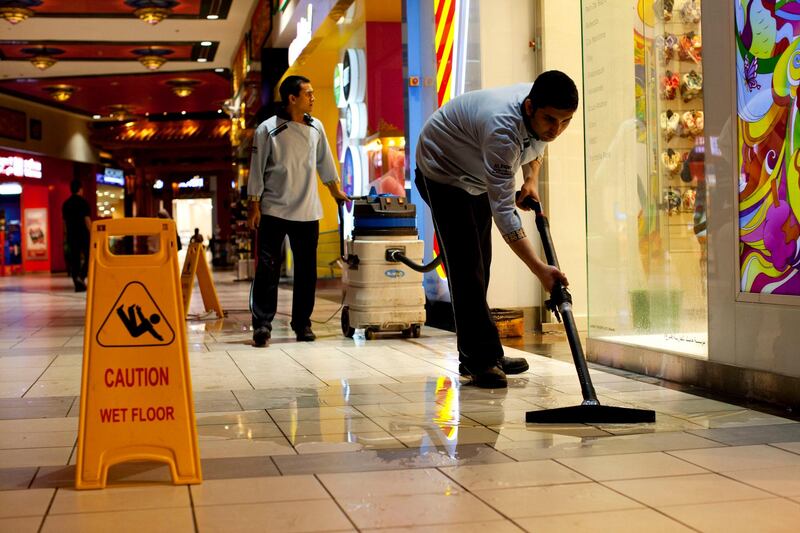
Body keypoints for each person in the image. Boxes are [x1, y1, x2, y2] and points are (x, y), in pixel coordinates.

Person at [415, 70, 577, 388]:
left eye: (565, 121)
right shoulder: (502, 131)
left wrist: (531, 181)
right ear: (530, 107)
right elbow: (505, 216)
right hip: (442, 170)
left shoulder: (539, 110)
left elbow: (537, 144)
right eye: (551, 120)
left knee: (481, 268)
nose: (557, 130)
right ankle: (480, 360)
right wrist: (540, 270)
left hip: (475, 176)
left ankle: (482, 352)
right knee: (467, 269)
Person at [247, 75, 348, 346]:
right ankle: (262, 324)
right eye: (309, 94)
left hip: (307, 211)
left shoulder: (317, 128)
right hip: (273, 210)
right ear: (292, 98)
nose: (313, 98)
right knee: (267, 269)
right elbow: (256, 170)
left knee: (306, 272)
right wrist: (253, 204)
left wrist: (335, 190)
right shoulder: (267, 130)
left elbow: (325, 163)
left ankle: (302, 323)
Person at [62, 179, 91, 292]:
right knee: (89, 256)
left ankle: (77, 282)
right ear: (80, 189)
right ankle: (82, 276)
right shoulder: (83, 202)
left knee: (75, 259)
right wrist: (93, 232)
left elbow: (64, 223)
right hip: (83, 234)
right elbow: (87, 220)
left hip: (71, 235)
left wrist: (65, 236)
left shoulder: (66, 204)